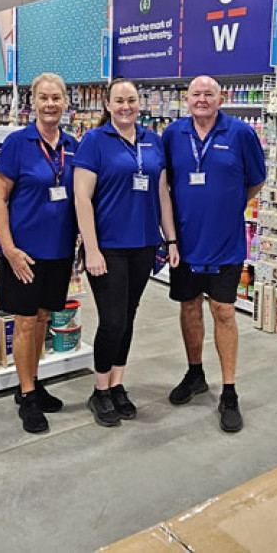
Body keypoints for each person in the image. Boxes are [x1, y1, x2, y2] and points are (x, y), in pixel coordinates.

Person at [161, 75, 266, 433]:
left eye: (209, 94)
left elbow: (256, 180)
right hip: (186, 243)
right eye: (196, 94)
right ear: (186, 99)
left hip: (226, 242)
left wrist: (230, 205)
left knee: (223, 311)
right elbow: (165, 184)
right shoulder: (173, 134)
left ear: (220, 99)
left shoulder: (240, 134)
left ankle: (230, 391)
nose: (202, 99)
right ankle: (195, 374)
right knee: (189, 306)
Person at [74, 78, 180, 427]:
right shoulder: (93, 141)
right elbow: (81, 198)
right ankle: (99, 390)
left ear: (140, 103)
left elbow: (163, 193)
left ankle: (117, 384)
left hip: (144, 245)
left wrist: (171, 239)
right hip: (107, 248)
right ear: (107, 105)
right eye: (118, 100)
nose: (125, 106)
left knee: (129, 317)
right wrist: (91, 248)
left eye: (131, 100)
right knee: (112, 320)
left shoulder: (153, 141)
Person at [0, 72, 78, 434]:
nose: (50, 104)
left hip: (59, 252)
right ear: (33, 103)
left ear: (66, 102)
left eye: (56, 97)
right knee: (25, 321)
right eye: (44, 97)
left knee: (43, 317)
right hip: (23, 254)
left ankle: (34, 381)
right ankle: (26, 394)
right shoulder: (18, 143)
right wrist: (8, 249)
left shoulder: (74, 145)